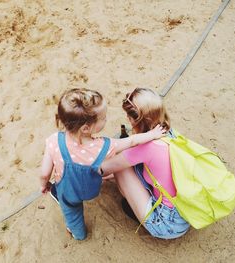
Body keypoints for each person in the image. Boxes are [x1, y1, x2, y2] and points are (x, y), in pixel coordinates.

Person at [40, 88, 165, 240]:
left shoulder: (54, 141)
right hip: (90, 190)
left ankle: (79, 234)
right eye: (103, 118)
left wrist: (44, 184)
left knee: (72, 212)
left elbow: (45, 172)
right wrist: (152, 134)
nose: (106, 120)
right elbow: (131, 141)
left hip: (67, 192)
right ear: (86, 128)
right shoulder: (103, 146)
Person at [99, 88, 190, 239]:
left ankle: (136, 206)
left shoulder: (146, 148)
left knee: (121, 166)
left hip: (168, 224)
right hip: (185, 211)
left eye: (129, 116)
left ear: (135, 119)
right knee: (129, 164)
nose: (128, 119)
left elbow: (103, 169)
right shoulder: (168, 131)